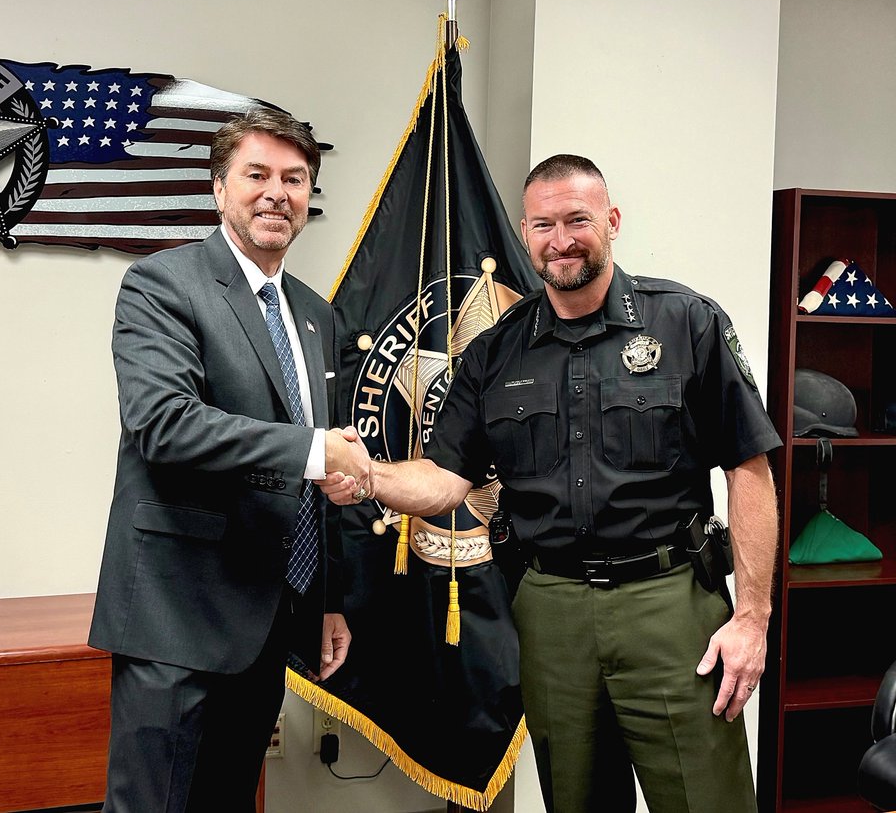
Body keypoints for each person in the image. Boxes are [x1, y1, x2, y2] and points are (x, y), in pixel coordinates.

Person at [320, 154, 780, 813]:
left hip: (670, 607)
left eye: (577, 220)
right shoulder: (495, 351)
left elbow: (750, 467)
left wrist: (752, 620)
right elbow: (447, 479)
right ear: (525, 231)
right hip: (552, 612)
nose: (560, 239)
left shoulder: (687, 322)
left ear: (612, 221)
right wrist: (369, 478)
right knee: (576, 799)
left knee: (708, 799)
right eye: (543, 225)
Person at [89, 108, 369, 812]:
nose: (277, 193)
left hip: (268, 616)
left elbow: (320, 468)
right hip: (176, 616)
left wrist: (329, 598)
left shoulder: (316, 313)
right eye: (258, 175)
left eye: (295, 179)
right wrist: (312, 450)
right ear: (220, 189)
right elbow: (164, 424)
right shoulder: (162, 285)